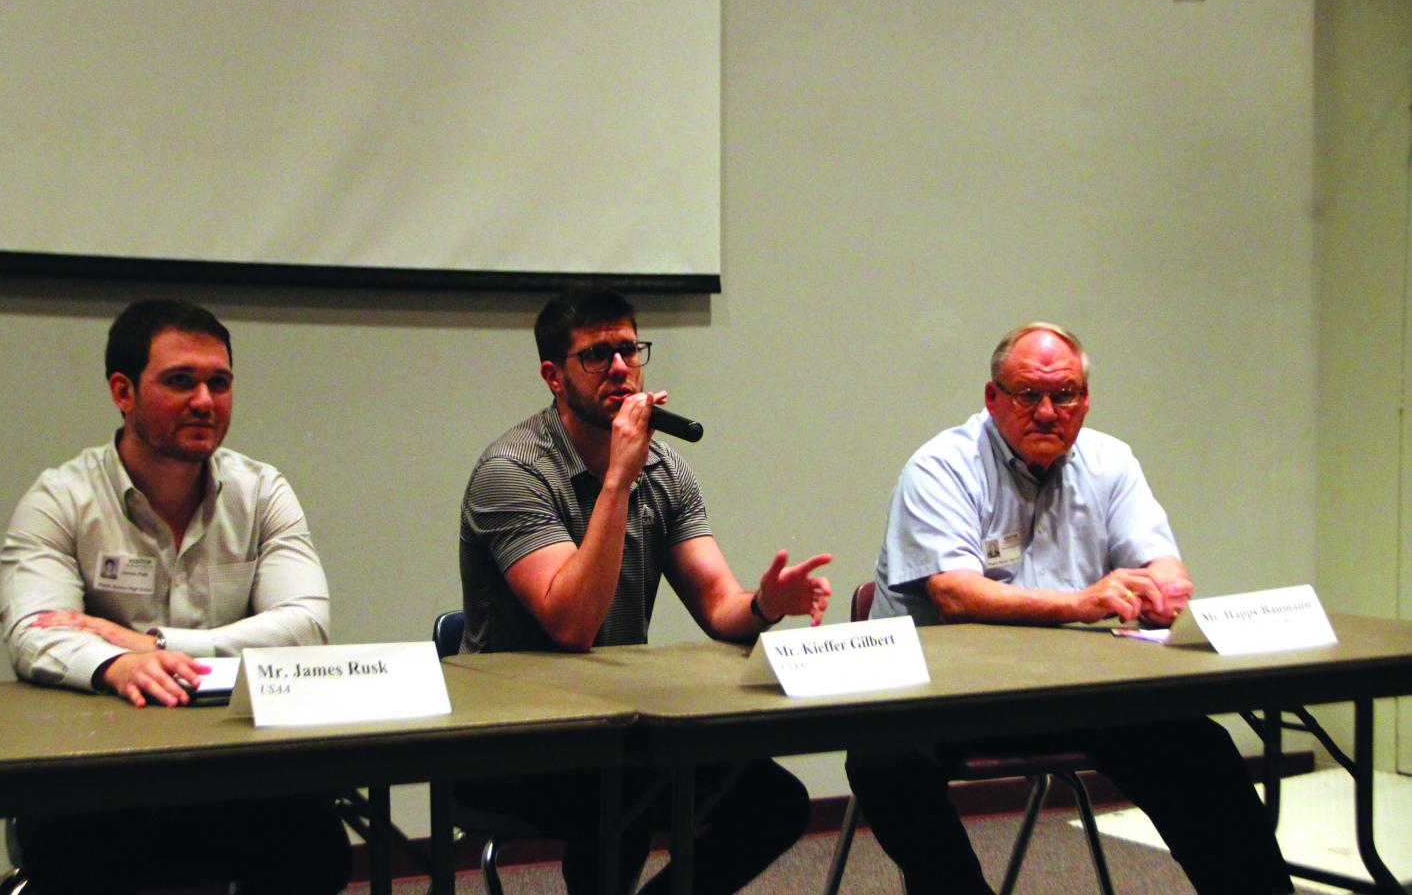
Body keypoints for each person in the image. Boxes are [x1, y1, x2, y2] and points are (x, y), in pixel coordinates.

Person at [845, 323, 1292, 895]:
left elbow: (1161, 561)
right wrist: (1081, 604)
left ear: (1086, 399)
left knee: (1196, 746)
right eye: (1029, 394)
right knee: (882, 762)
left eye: (1067, 395)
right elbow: (955, 594)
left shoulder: (1110, 461)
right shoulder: (941, 466)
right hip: (943, 697)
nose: (1049, 411)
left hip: (1072, 693)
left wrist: (1164, 588)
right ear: (992, 398)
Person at [458, 283, 833, 895]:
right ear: (554, 376)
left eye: (630, 352)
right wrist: (618, 477)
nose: (620, 369)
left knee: (775, 802)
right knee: (620, 803)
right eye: (596, 355)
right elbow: (572, 624)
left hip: (619, 727)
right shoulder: (513, 471)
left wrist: (766, 605)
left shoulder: (666, 471)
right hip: (517, 738)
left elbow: (719, 605)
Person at [0, 299, 349, 895]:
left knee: (316, 852)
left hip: (236, 767)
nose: (205, 401)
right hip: (100, 775)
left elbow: (306, 624)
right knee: (84, 863)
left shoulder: (262, 492)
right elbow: (35, 630)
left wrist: (157, 644)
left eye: (220, 382)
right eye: (181, 381)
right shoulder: (60, 498)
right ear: (122, 391)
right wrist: (119, 664)